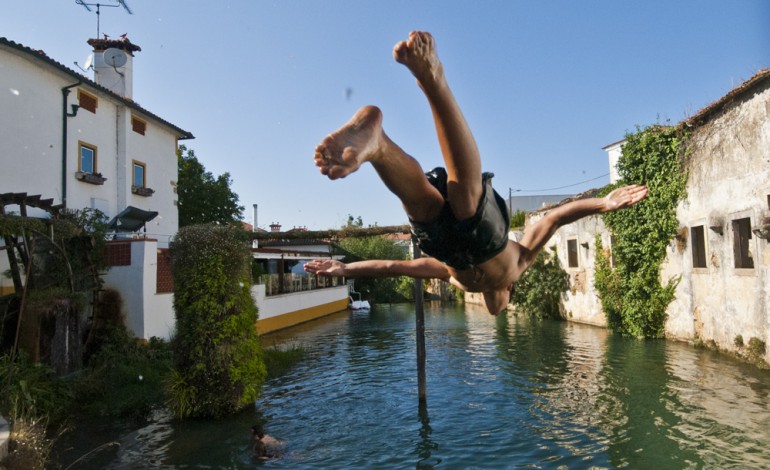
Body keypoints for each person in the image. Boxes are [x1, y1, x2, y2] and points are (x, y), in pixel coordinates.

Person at [305, 31, 647, 316]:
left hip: (446, 248)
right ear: (510, 289)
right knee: (466, 200)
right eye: (504, 302)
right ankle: (432, 78)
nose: (495, 306)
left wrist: (345, 269)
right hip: (486, 238)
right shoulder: (520, 263)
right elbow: (554, 219)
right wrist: (603, 203)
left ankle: (378, 146)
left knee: (420, 206)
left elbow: (391, 267)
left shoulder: (450, 276)